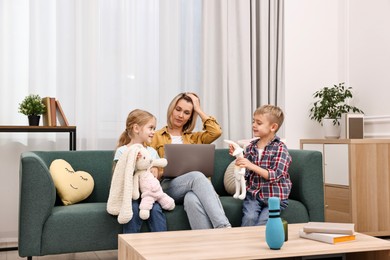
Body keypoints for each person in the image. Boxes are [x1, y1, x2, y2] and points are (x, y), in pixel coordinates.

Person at [150, 92, 231, 229]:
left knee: (191, 198)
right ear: (172, 109)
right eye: (178, 109)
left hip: (192, 187)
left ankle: (205, 244)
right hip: (168, 186)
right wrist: (163, 169)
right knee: (197, 176)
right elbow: (149, 166)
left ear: (190, 117)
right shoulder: (156, 136)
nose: (181, 115)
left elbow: (216, 131)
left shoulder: (194, 138)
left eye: (187, 113)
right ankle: (223, 226)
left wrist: (198, 109)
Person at [233, 104, 292, 226]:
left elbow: (275, 175)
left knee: (262, 222)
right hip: (254, 196)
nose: (253, 125)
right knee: (249, 218)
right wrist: (239, 157)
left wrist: (251, 165)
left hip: (275, 197)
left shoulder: (280, 149)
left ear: (273, 127)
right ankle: (243, 243)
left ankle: (258, 243)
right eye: (253, 121)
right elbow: (247, 173)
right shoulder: (250, 147)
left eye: (258, 123)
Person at [112, 109, 167, 233]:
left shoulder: (152, 152)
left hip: (148, 194)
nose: (154, 132)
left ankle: (162, 245)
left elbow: (156, 176)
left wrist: (155, 172)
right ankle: (131, 248)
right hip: (129, 195)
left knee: (156, 210)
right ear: (136, 128)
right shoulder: (122, 151)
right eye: (151, 128)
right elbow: (119, 175)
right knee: (133, 209)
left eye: (154, 128)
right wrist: (132, 162)